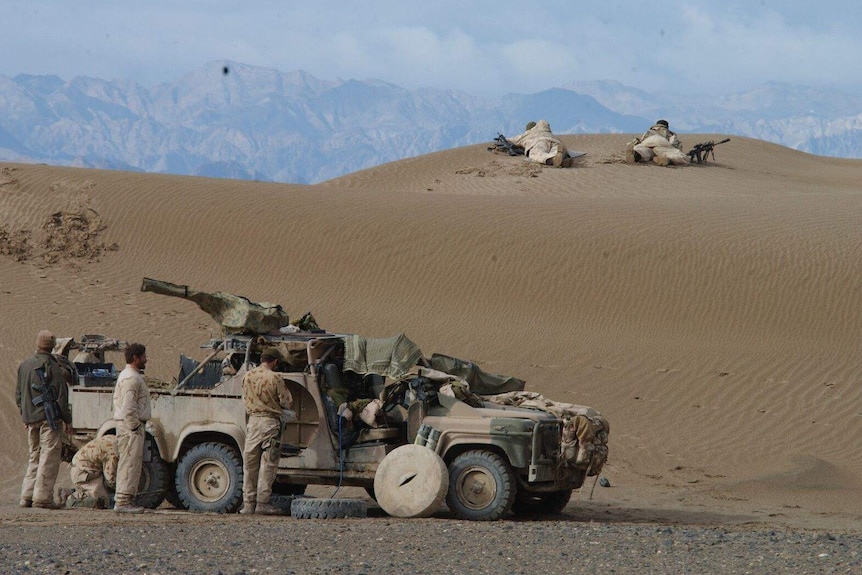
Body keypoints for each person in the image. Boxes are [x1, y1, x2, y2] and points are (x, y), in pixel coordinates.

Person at [16, 330, 74, 509]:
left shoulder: (24, 365)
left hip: (31, 417)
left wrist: (25, 415)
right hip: (48, 419)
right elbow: (61, 395)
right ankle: (42, 498)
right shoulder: (52, 365)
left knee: (34, 456)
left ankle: (27, 495)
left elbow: (19, 394)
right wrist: (67, 419)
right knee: (48, 456)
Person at [240, 347, 292, 515]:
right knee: (268, 464)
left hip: (253, 423)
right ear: (275, 361)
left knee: (249, 465)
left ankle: (248, 503)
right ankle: (262, 503)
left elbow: (244, 399)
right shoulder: (275, 377)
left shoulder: (247, 376)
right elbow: (286, 401)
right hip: (270, 422)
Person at [112, 342, 151, 513]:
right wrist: (135, 427)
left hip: (129, 427)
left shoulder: (131, 376)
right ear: (135, 358)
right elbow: (129, 407)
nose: (146, 360)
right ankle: (123, 501)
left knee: (131, 463)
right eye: (143, 356)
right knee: (129, 463)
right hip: (130, 428)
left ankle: (126, 500)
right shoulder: (131, 378)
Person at [66, 434, 119, 509]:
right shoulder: (114, 452)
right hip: (84, 472)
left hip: (88, 470)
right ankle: (72, 498)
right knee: (104, 501)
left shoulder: (114, 439)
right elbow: (110, 480)